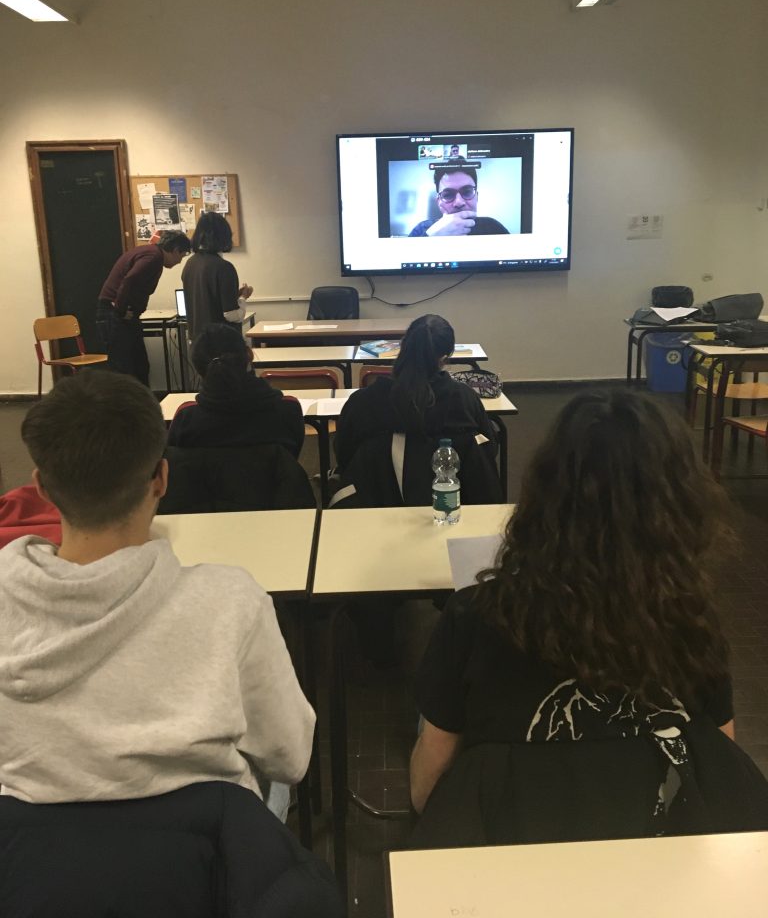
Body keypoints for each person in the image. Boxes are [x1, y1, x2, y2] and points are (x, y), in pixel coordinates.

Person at [410, 390, 748, 831]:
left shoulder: (475, 615)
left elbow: (426, 790)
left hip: (509, 857)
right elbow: (721, 768)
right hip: (660, 857)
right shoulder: (690, 619)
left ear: (544, 497)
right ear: (681, 506)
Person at [0, 370, 314, 817]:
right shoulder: (233, 601)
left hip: (33, 852)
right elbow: (291, 756)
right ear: (162, 478)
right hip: (203, 848)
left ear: (42, 488)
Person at [334, 313, 497, 482]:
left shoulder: (364, 401)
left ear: (403, 347)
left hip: (377, 494)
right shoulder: (464, 399)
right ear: (444, 358)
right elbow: (489, 450)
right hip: (452, 493)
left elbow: (344, 454)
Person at [168, 323, 305, 458]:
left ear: (198, 368)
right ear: (249, 354)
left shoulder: (185, 420)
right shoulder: (289, 411)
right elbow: (292, 457)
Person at [96, 230, 190, 385]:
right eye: (182, 255)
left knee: (139, 367)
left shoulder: (151, 253)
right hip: (114, 314)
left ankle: (140, 399)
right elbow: (130, 280)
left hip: (121, 314)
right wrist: (120, 310)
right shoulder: (153, 257)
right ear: (175, 250)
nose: (180, 261)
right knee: (125, 370)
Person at [182, 212, 253, 341]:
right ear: (224, 236)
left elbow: (209, 299)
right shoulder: (224, 267)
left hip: (197, 341)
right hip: (220, 342)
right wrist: (243, 297)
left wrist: (234, 295)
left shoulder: (190, 263)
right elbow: (232, 315)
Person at [408, 166, 509, 237]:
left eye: (467, 192)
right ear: (439, 202)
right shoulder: (421, 229)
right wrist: (431, 238)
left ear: (477, 197)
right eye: (448, 195)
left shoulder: (493, 227)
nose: (459, 202)